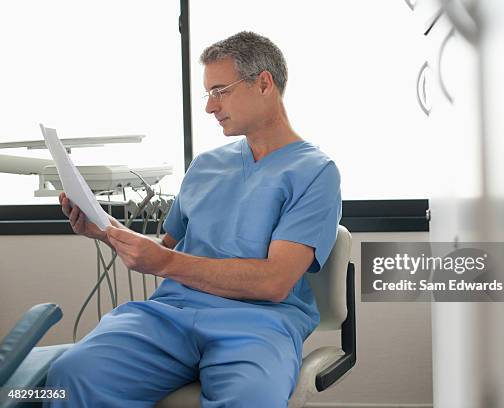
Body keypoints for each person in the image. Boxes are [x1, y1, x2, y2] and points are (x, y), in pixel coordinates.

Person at [45, 31, 342, 407]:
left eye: (220, 90)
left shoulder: (315, 173)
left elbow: (274, 282)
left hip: (258, 324)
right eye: (208, 94)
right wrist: (105, 229)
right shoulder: (206, 165)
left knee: (251, 397)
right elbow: (166, 249)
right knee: (72, 374)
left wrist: (166, 262)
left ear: (263, 83)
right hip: (170, 314)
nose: (210, 107)